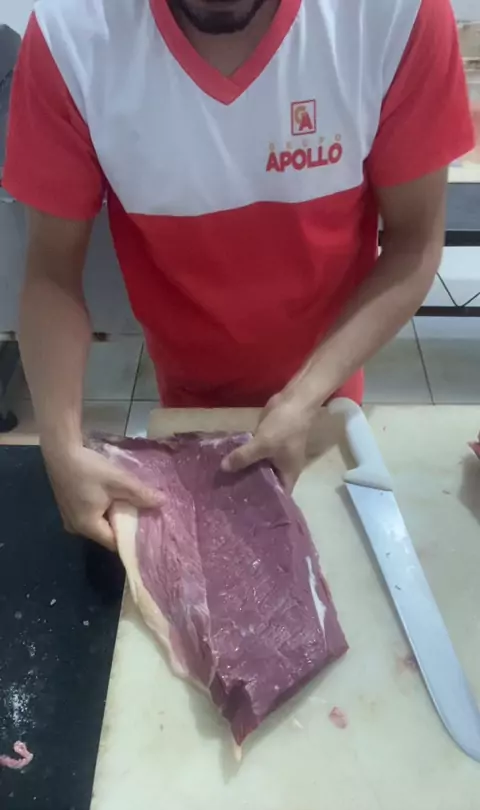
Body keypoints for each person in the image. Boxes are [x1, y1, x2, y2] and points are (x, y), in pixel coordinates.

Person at [3, 0, 474, 549]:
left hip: (328, 387)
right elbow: (52, 273)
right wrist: (61, 446)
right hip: (187, 392)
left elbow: (414, 244)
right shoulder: (70, 35)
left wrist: (304, 398)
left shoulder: (395, 14)